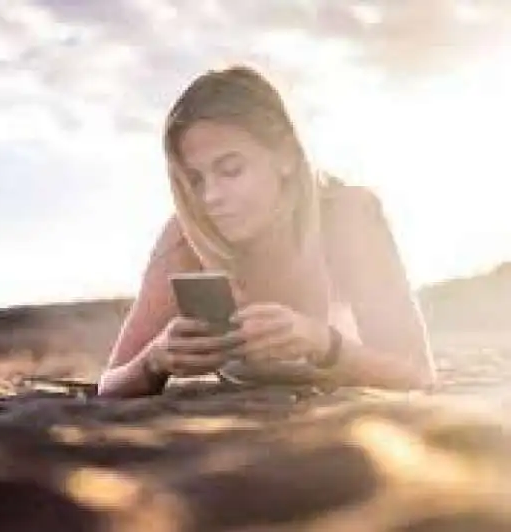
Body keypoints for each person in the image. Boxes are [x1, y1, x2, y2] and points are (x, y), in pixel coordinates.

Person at [97, 64, 437, 398]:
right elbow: (110, 383)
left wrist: (323, 343)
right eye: (196, 180)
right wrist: (154, 361)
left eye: (231, 170)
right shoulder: (186, 234)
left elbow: (417, 372)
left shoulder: (348, 215)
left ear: (286, 155)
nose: (210, 198)